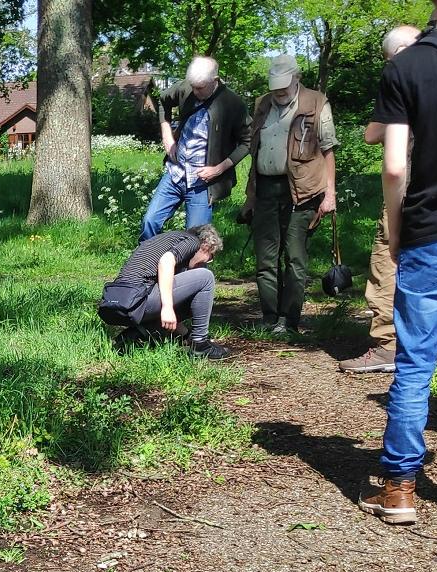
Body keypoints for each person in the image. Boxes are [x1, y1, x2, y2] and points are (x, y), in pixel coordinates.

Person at [358, 11, 437, 526]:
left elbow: (393, 165)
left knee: (414, 363)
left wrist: (396, 227)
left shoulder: (406, 67)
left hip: (429, 234)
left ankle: (399, 491)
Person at [339, 25, 422, 373]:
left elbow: (372, 134)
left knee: (387, 259)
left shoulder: (405, 74)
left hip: (410, 187)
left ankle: (388, 344)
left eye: (389, 59)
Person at [241, 54, 338, 334]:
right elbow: (254, 151)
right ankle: (270, 319)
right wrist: (250, 197)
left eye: (284, 87)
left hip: (303, 191)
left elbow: (329, 150)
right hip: (265, 189)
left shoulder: (317, 102)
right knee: (265, 259)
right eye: (275, 88)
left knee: (295, 258)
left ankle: (290, 321)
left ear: (297, 78)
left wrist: (329, 195)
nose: (279, 93)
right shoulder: (262, 104)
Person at [139, 56, 250, 242]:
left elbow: (248, 140)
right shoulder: (185, 88)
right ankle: (147, 266)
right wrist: (167, 135)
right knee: (150, 222)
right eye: (193, 86)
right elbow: (163, 101)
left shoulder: (232, 103)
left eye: (200, 88)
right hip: (175, 173)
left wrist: (219, 168)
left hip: (202, 184)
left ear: (214, 81)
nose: (195, 91)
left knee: (196, 239)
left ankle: (192, 271)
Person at [98, 225, 230, 360]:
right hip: (137, 300)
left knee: (187, 293)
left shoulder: (166, 241)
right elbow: (166, 261)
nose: (207, 262)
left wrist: (185, 335)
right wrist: (167, 308)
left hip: (118, 303)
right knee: (205, 277)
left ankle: (134, 335)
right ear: (206, 246)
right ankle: (200, 344)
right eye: (210, 257)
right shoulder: (193, 241)